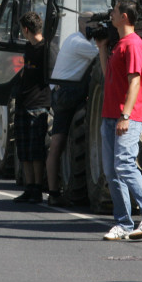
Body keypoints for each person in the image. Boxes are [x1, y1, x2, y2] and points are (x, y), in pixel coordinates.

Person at [96, 0, 142, 240]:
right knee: (112, 172)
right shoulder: (119, 44)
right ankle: (123, 224)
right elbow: (109, 76)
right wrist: (102, 48)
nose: (111, 14)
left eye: (115, 11)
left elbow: (135, 82)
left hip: (127, 116)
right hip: (110, 116)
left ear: (124, 16)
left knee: (124, 165)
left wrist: (125, 115)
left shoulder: (134, 43)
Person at [46, 13, 99, 206]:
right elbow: (102, 54)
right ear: (83, 24)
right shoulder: (79, 43)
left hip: (62, 90)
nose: (96, 28)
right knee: (57, 142)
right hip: (66, 92)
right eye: (94, 24)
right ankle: (53, 192)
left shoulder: (74, 39)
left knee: (58, 141)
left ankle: (53, 191)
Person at [12, 12, 52, 204]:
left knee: (35, 150)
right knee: (24, 150)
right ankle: (29, 188)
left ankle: (37, 189)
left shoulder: (46, 49)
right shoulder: (29, 47)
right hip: (23, 103)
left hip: (38, 105)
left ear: (26, 29)